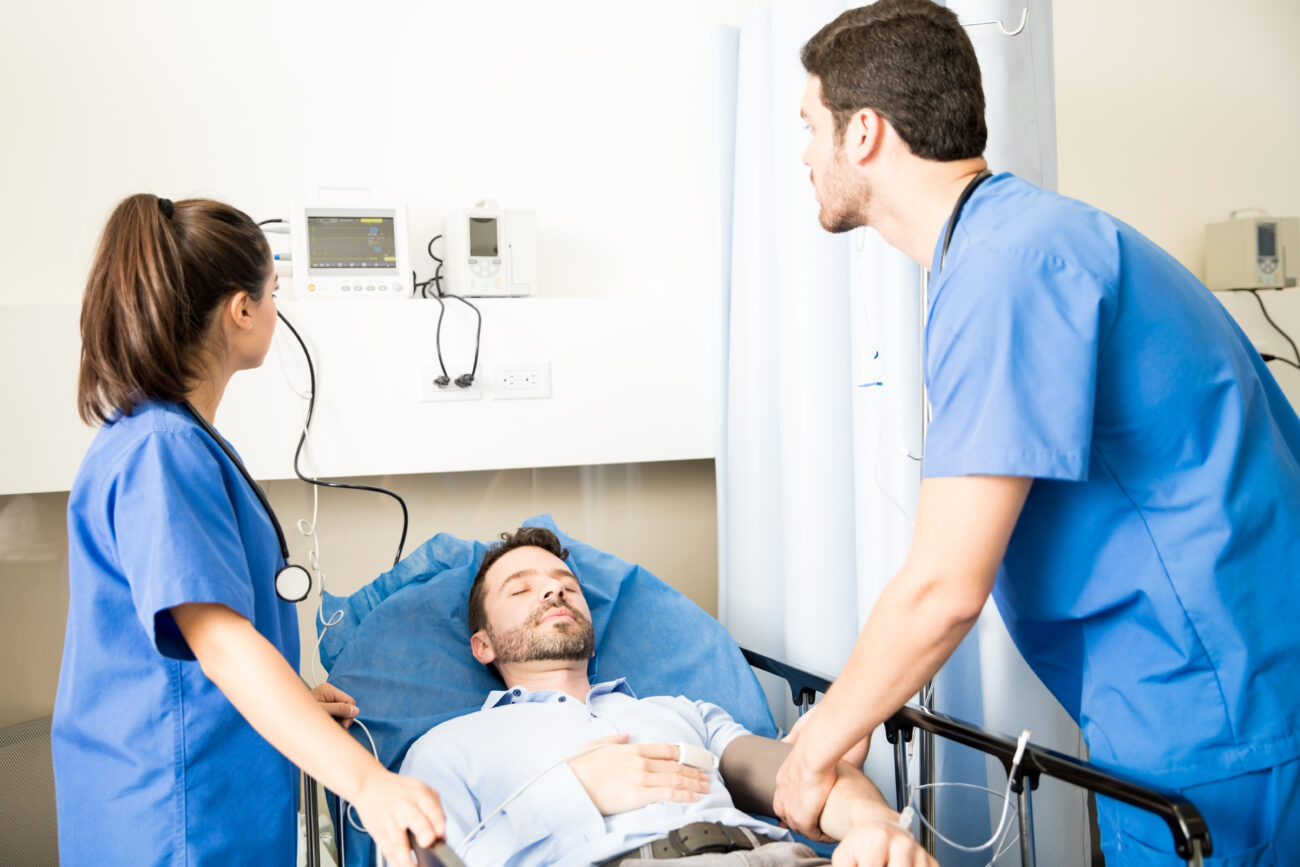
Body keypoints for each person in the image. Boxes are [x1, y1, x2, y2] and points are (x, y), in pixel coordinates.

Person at [770, 1, 1300, 863]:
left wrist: (818, 745)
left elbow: (945, 586)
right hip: (1234, 689)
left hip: (1215, 716)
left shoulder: (1003, 272)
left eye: (809, 125)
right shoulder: (1029, 239)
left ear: (862, 132)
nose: (803, 153)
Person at [52, 194, 445, 866]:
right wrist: (367, 783)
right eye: (273, 294)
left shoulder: (161, 437)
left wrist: (294, 700)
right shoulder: (162, 450)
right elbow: (221, 641)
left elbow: (194, 650)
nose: (275, 311)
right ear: (241, 309)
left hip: (186, 786)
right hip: (179, 815)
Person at [399, 527, 936, 867]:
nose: (553, 589)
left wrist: (874, 826)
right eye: (520, 588)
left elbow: (804, 774)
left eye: (567, 584)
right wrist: (575, 793)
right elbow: (441, 860)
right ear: (483, 645)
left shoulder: (680, 711)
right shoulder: (448, 748)